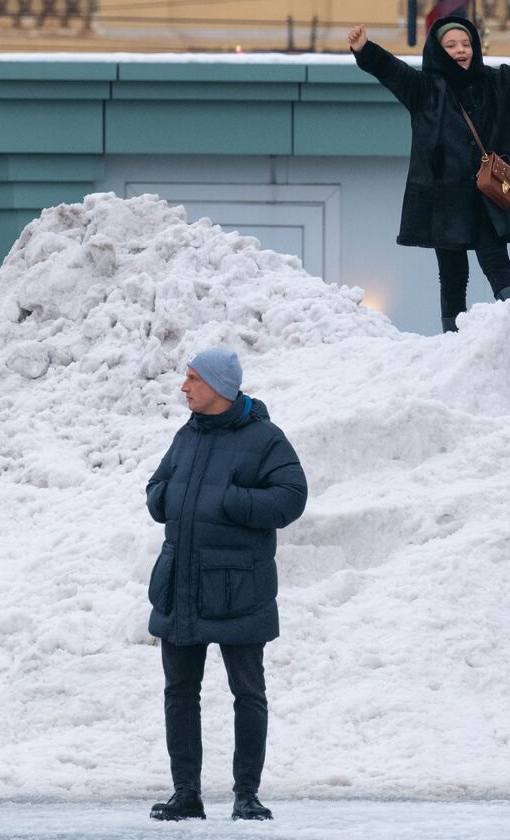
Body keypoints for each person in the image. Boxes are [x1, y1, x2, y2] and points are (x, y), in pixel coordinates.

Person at [348, 15, 510, 332]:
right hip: (443, 198)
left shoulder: (497, 84)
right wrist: (364, 49)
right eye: (451, 45)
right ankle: (453, 337)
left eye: (466, 44)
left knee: (495, 258)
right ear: (438, 51)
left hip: (487, 194)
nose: (460, 50)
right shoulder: (424, 90)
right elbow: (391, 71)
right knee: (452, 271)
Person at [145, 349, 308, 821]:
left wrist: (231, 502)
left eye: (193, 378)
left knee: (248, 693)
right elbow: (157, 488)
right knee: (180, 691)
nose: (184, 387)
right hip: (181, 585)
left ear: (219, 386)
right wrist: (165, 499)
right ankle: (186, 794)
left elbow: (290, 498)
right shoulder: (187, 435)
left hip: (240, 588)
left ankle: (246, 795)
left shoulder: (265, 440)